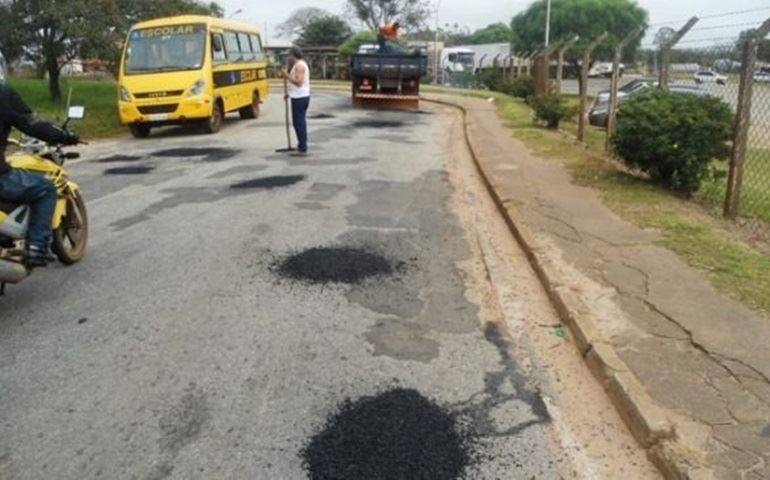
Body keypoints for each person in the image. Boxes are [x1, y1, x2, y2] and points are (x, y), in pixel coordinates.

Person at [0, 51, 80, 267]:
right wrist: (64, 136)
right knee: (45, 189)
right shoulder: (3, 94)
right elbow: (33, 125)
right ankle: (37, 246)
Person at [280, 47, 310, 156]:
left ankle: (303, 146)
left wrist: (286, 75)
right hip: (298, 96)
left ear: (293, 55)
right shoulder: (297, 65)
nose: (288, 58)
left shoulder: (299, 66)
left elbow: (299, 82)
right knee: (298, 122)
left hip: (300, 98)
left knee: (299, 122)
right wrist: (289, 93)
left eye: (289, 55)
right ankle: (301, 144)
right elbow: (297, 85)